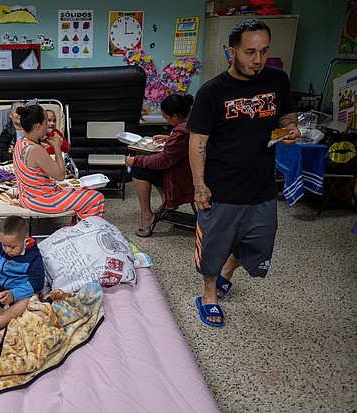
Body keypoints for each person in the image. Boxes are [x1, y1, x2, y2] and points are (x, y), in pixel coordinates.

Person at [186, 19, 300, 327]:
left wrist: (291, 128)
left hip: (261, 185)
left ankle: (228, 272)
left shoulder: (277, 80)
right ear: (231, 52)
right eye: (250, 52)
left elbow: (287, 115)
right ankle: (209, 294)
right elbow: (197, 140)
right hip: (222, 186)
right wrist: (199, 186)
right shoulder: (212, 92)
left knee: (259, 245)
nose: (258, 60)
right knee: (213, 246)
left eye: (263, 51)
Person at [12, 105, 105, 219]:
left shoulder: (20, 143)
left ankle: (83, 225)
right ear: (37, 126)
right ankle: (89, 231)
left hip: (27, 196)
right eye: (46, 123)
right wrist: (57, 147)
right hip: (42, 200)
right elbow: (60, 175)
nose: (48, 127)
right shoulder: (35, 150)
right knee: (96, 198)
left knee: (81, 189)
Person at [125, 94, 195, 237]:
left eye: (166, 118)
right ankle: (167, 201)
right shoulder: (194, 122)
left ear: (175, 116)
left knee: (139, 170)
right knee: (148, 164)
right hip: (191, 173)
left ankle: (147, 215)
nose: (167, 121)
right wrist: (169, 138)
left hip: (185, 180)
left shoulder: (181, 133)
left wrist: (135, 160)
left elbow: (163, 161)